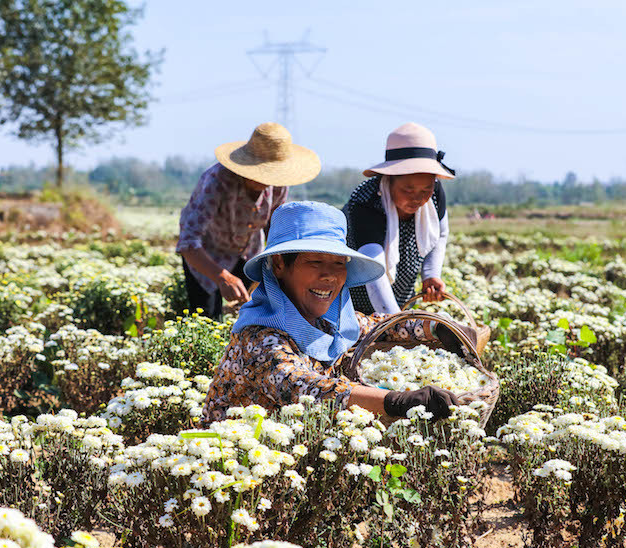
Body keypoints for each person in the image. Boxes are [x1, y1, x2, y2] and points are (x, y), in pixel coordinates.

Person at [202, 201, 464, 424]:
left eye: (339, 263)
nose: (329, 276)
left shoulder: (324, 321)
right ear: (279, 265)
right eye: (315, 261)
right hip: (235, 459)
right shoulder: (259, 336)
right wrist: (397, 401)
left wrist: (436, 326)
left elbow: (374, 325)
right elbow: (307, 389)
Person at [177, 122, 320, 320]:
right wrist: (222, 277)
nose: (267, 180)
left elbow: (274, 227)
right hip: (205, 254)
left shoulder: (278, 185)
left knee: (256, 313)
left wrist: (281, 267)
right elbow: (188, 243)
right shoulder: (217, 181)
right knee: (206, 318)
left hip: (248, 253)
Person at [343, 123, 454, 315]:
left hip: (401, 294)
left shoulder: (435, 193)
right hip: (356, 299)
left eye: (425, 190)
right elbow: (372, 268)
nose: (418, 198)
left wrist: (430, 274)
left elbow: (440, 234)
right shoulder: (367, 201)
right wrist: (395, 322)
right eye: (408, 190)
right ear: (389, 179)